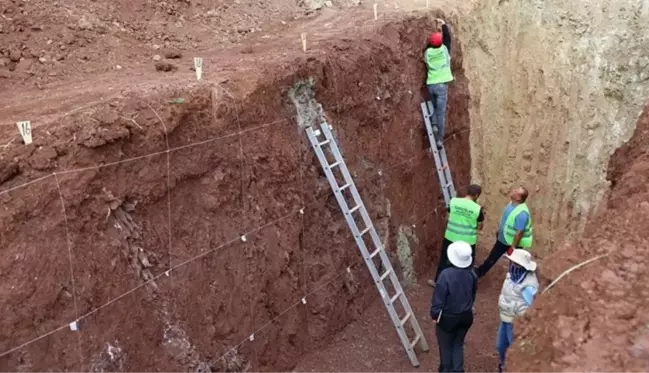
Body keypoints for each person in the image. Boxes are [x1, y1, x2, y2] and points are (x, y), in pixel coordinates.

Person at [430, 241, 477, 373]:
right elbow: (472, 295)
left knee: (445, 346)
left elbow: (438, 298)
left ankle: (446, 370)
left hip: (448, 318)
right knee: (458, 344)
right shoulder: (472, 274)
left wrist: (435, 314)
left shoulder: (446, 275)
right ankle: (458, 369)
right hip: (466, 317)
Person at [427, 184, 484, 287]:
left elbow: (449, 212)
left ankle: (438, 282)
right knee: (467, 263)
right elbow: (480, 226)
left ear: (467, 191)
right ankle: (466, 285)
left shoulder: (454, 202)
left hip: (451, 236)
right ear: (476, 195)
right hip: (467, 240)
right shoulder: (477, 209)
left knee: (444, 260)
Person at [474, 186, 533, 279]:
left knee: (513, 262)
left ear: (518, 198)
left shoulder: (522, 213)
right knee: (492, 257)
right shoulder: (511, 204)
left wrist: (513, 247)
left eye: (516, 191)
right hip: (504, 238)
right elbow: (507, 219)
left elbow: (519, 232)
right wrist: (499, 231)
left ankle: (514, 280)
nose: (513, 190)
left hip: (511, 243)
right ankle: (479, 272)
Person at [496, 249, 539, 373]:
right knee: (501, 346)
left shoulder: (529, 286)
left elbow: (532, 306)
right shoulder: (511, 275)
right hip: (505, 319)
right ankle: (503, 366)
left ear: (522, 266)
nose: (511, 265)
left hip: (515, 323)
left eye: (514, 263)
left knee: (513, 350)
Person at [424, 18, 454, 149]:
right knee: (441, 112)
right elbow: (448, 40)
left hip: (431, 85)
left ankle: (434, 125)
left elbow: (426, 57)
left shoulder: (428, 53)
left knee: (435, 108)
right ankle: (439, 140)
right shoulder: (444, 51)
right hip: (442, 86)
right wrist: (444, 26)